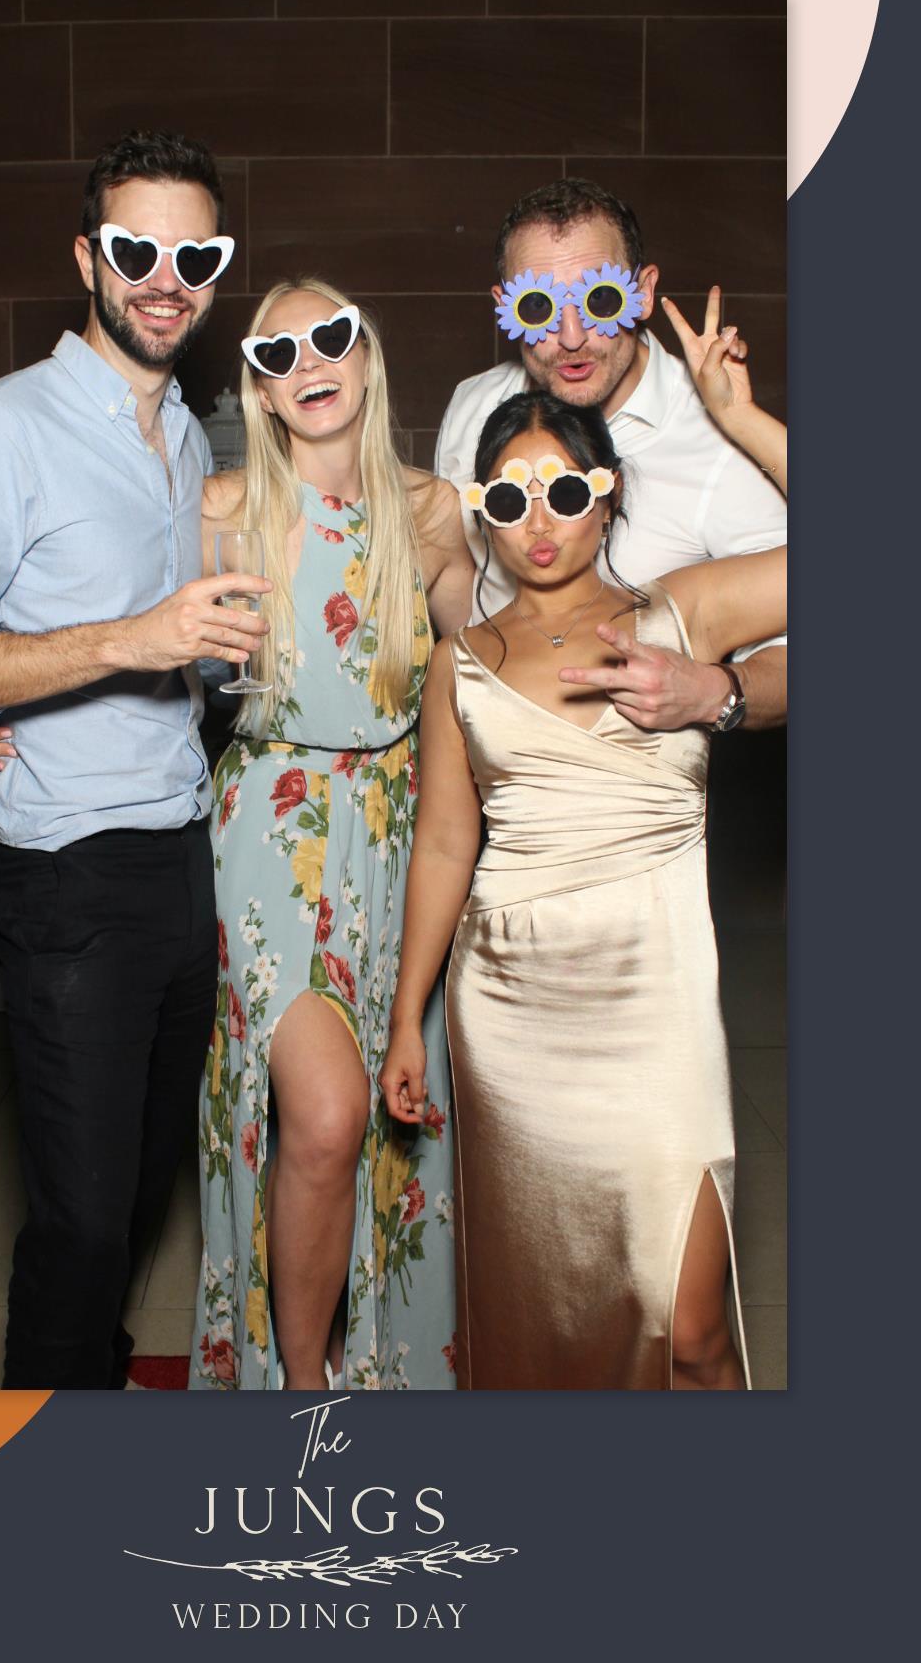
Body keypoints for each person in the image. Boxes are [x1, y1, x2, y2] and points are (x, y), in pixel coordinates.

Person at [0, 130, 271, 1391]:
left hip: (178, 852)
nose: (166, 278)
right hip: (65, 872)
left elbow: (168, 653)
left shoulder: (187, 443)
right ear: (87, 259)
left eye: (194, 256)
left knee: (140, 1189)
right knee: (81, 1222)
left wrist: (220, 663)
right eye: (136, 249)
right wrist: (127, 641)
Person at [380, 309, 786, 1390]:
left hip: (657, 1002)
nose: (540, 522)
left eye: (564, 491)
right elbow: (444, 845)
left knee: (691, 1327)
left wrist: (742, 419)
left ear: (607, 497)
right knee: (543, 1317)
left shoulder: (684, 614)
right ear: (483, 516)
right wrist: (408, 1019)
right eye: (509, 499)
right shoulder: (461, 661)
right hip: (510, 1007)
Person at [191, 280, 474, 1391]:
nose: (309, 362)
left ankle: (369, 1364)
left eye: (331, 338)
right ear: (260, 390)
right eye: (279, 352)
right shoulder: (222, 509)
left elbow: (493, 660)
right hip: (271, 824)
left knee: (385, 1110)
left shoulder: (433, 512)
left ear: (367, 355)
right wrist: (7, 722)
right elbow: (121, 630)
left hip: (399, 831)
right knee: (326, 1112)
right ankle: (300, 1390)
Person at [435, 177, 786, 735]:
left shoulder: (716, 445)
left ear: (642, 292)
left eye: (599, 300)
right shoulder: (472, 407)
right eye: (539, 306)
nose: (572, 336)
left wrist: (716, 693)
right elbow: (461, 589)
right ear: (504, 307)